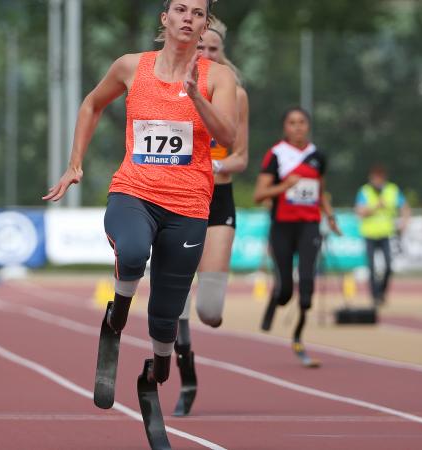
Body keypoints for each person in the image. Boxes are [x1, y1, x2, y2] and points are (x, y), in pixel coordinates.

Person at [43, 0, 236, 399]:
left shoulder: (218, 78)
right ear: (165, 18)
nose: (188, 18)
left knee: (165, 320)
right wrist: (74, 164)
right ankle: (116, 317)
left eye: (198, 13)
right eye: (180, 9)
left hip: (188, 205)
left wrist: (198, 99)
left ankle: (158, 369)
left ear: (205, 26)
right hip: (135, 190)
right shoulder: (132, 66)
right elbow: (92, 104)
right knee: (131, 253)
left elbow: (230, 137)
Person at [172, 14, 249, 416]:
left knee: (211, 311)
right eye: (200, 47)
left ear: (223, 54)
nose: (205, 54)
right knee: (177, 307)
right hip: (179, 198)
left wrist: (217, 167)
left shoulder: (234, 93)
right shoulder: (169, 87)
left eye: (213, 49)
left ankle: (199, 292)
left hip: (217, 200)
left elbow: (241, 155)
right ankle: (187, 378)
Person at [254, 107, 341, 367]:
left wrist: (330, 216)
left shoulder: (318, 156)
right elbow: (260, 194)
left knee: (306, 288)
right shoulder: (276, 155)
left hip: (310, 226)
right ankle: (276, 298)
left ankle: (298, 338)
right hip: (282, 226)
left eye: (302, 122)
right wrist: (285, 186)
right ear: (285, 127)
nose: (298, 127)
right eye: (292, 123)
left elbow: (320, 191)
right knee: (285, 292)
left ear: (308, 126)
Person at [354, 165, 410, 307]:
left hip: (386, 234)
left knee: (389, 266)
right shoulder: (364, 191)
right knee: (371, 267)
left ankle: (382, 292)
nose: (378, 181)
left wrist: (404, 222)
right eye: (375, 179)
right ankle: (375, 296)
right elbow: (360, 212)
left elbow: (404, 207)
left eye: (380, 178)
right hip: (369, 234)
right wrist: (375, 207)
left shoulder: (392, 190)